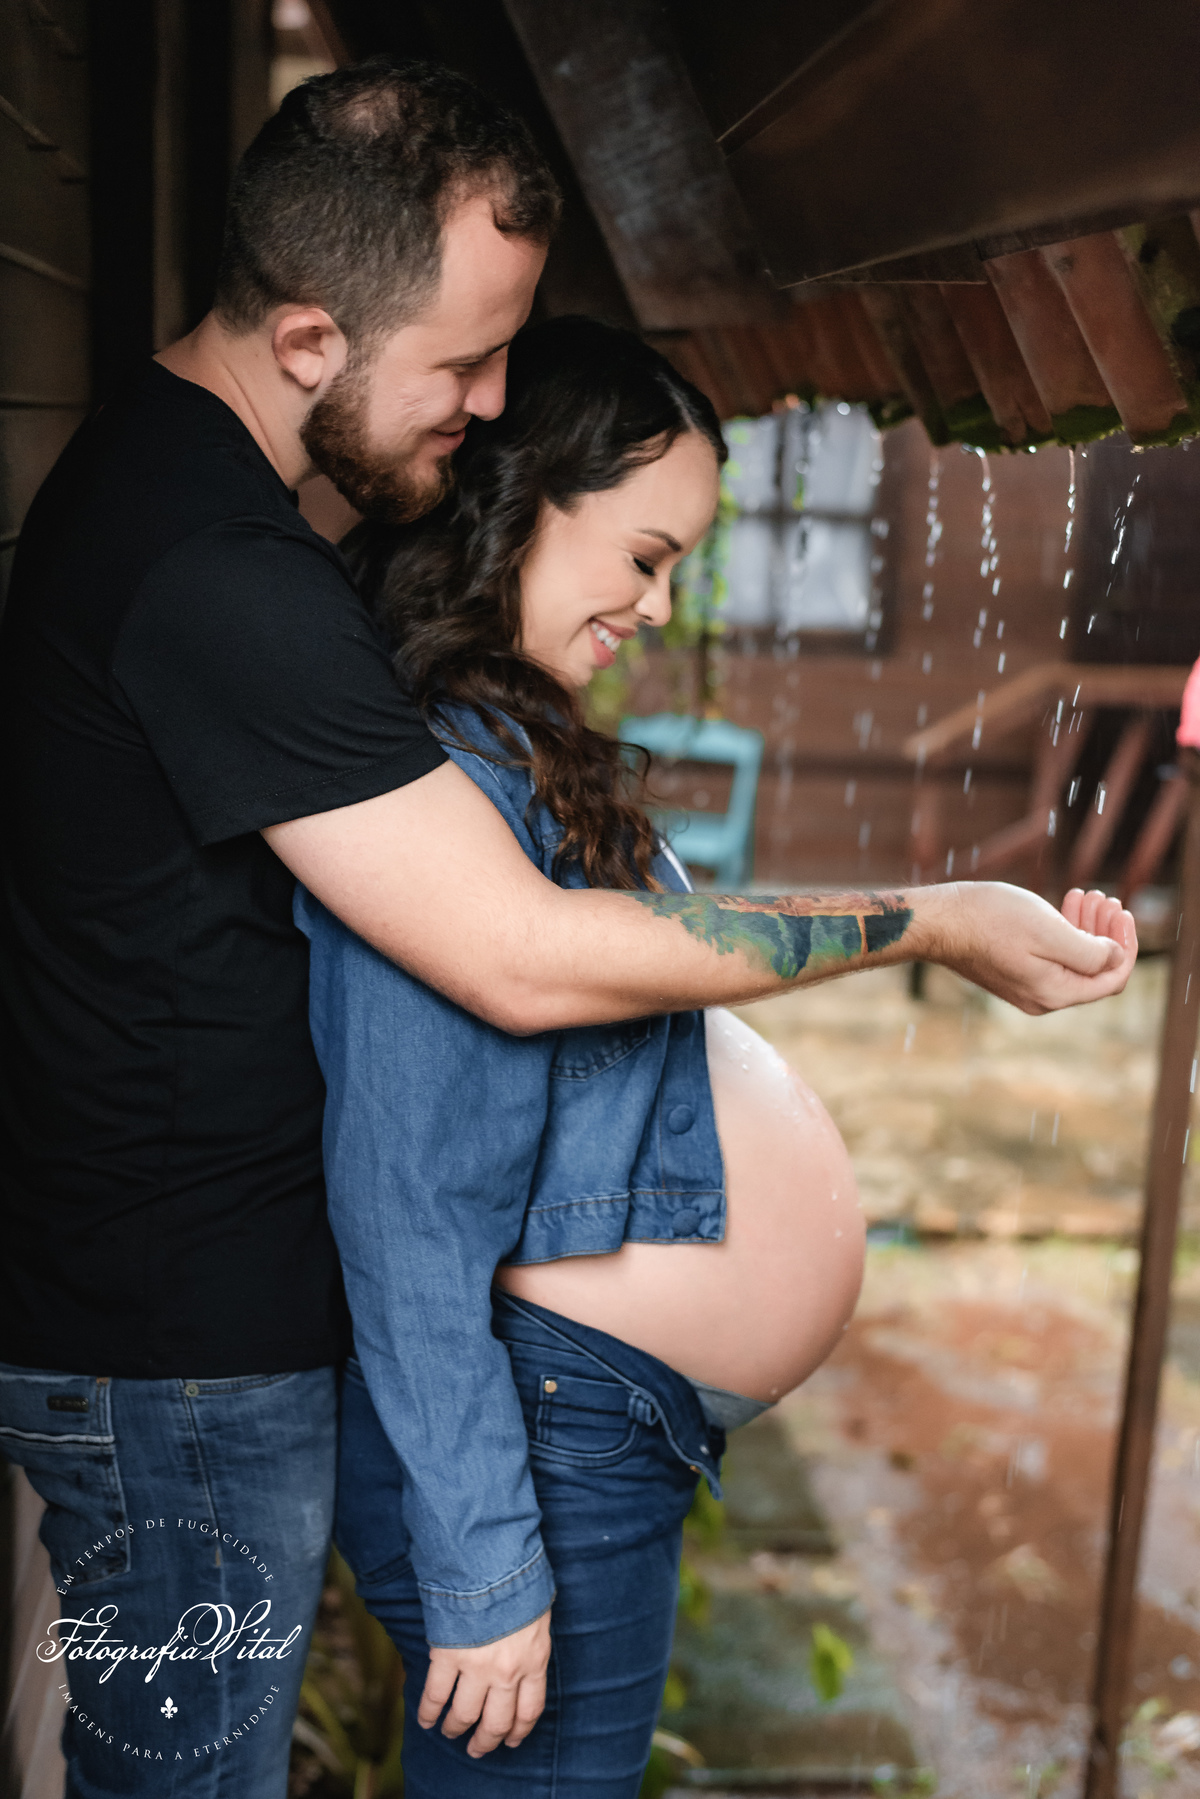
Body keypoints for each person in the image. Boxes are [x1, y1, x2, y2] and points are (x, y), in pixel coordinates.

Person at [0, 53, 1133, 1799]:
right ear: (307, 339)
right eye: (463, 364)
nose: (488, 403)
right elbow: (507, 972)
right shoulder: (215, 572)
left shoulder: (200, 520)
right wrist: (927, 923)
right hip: (182, 1360)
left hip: (202, 1342)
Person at [305, 317, 872, 1795]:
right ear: (518, 504)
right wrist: (487, 1564)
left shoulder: (501, 739)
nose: (661, 605)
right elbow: (405, 1203)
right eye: (643, 555)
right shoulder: (439, 777)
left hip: (580, 1416)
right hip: (544, 1424)